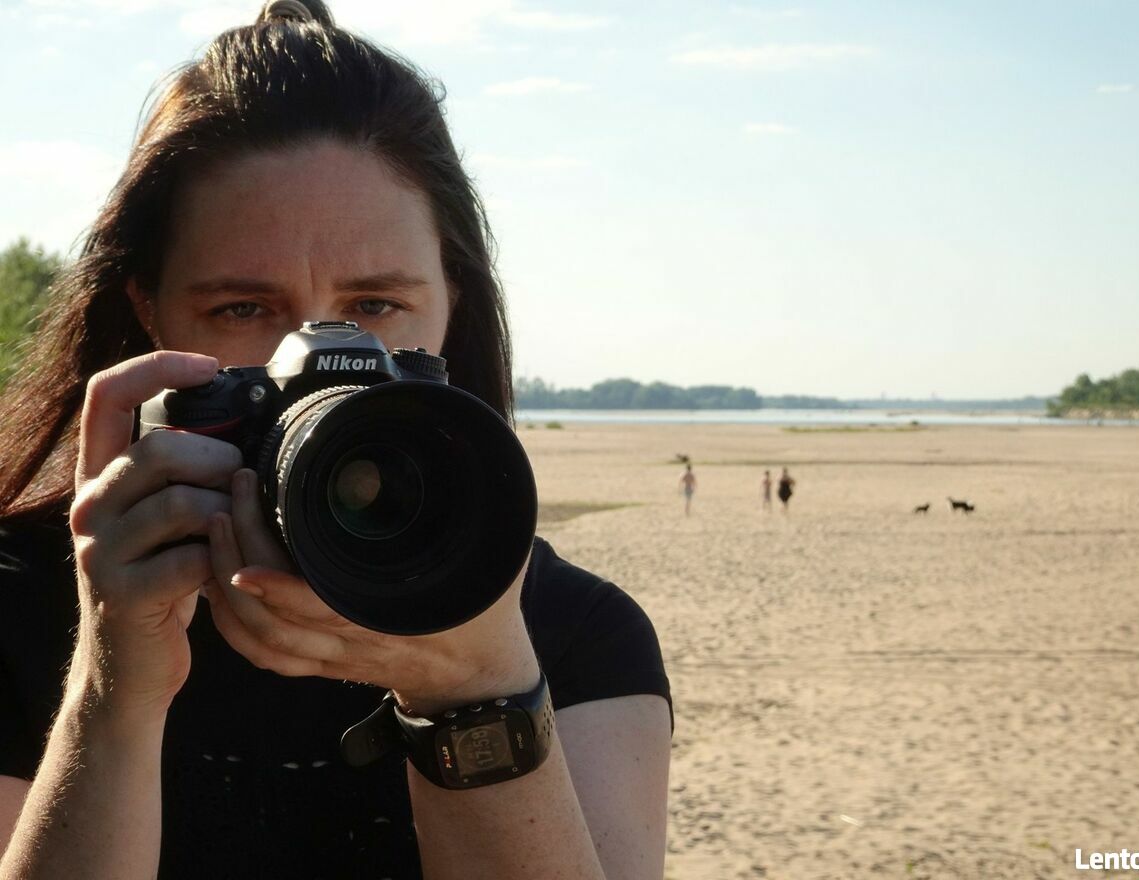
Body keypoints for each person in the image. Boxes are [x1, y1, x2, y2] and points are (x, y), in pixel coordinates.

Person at [0, 2, 672, 877]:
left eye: (376, 305)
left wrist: (477, 687)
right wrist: (111, 689)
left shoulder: (573, 633)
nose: (319, 358)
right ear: (149, 313)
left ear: (452, 302)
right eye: (243, 308)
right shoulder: (19, 607)